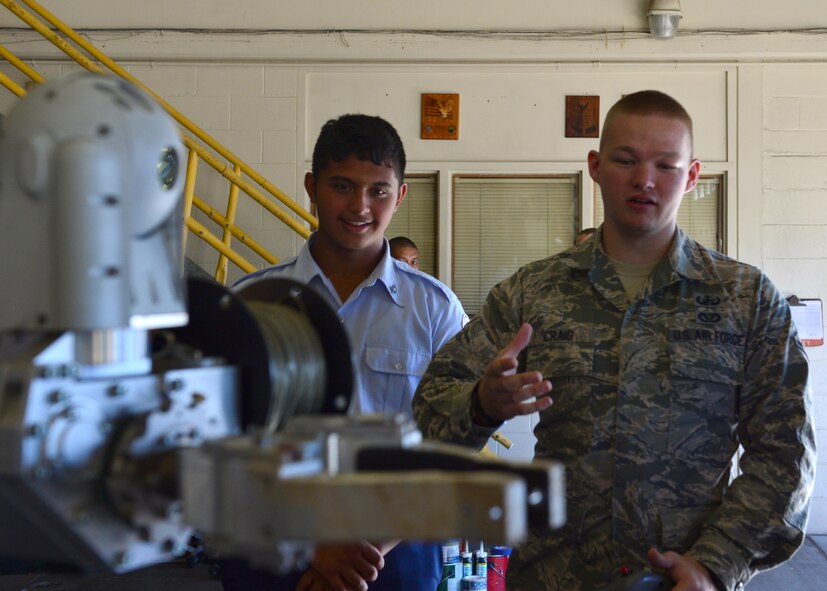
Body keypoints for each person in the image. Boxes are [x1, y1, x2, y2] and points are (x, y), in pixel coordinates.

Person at [412, 90, 815, 591]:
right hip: (552, 574)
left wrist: (716, 563)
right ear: (596, 166)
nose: (644, 179)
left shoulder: (746, 299)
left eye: (666, 165)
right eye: (625, 160)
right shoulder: (532, 292)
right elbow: (428, 415)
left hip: (682, 576)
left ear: (691, 176)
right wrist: (480, 404)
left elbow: (786, 452)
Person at [233, 114, 467, 591]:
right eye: (342, 185)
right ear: (311, 187)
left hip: (395, 554)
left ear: (400, 195)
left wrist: (365, 550)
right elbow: (220, 440)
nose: (360, 206)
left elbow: (451, 442)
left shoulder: (436, 310)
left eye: (378, 190)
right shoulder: (249, 304)